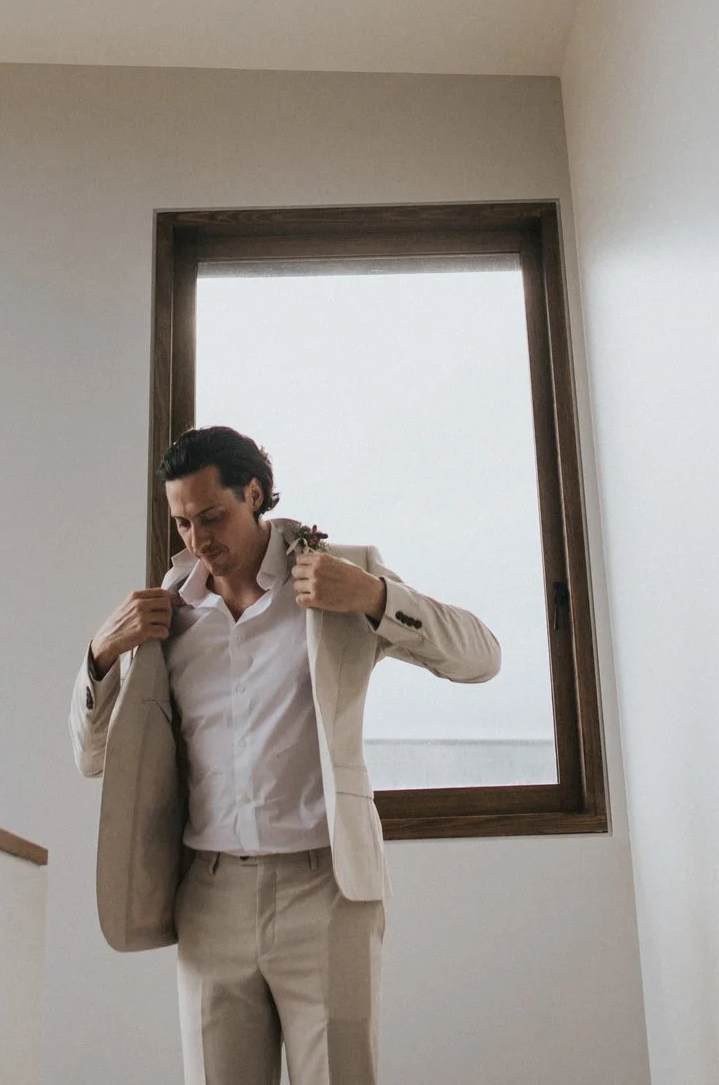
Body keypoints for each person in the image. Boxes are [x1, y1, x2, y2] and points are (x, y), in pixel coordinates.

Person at [72, 425, 500, 1085]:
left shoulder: (335, 576)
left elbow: (481, 656)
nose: (198, 539)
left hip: (326, 888)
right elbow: (92, 754)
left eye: (212, 516)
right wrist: (101, 652)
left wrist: (376, 597)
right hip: (209, 897)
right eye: (183, 523)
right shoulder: (167, 615)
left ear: (254, 494)